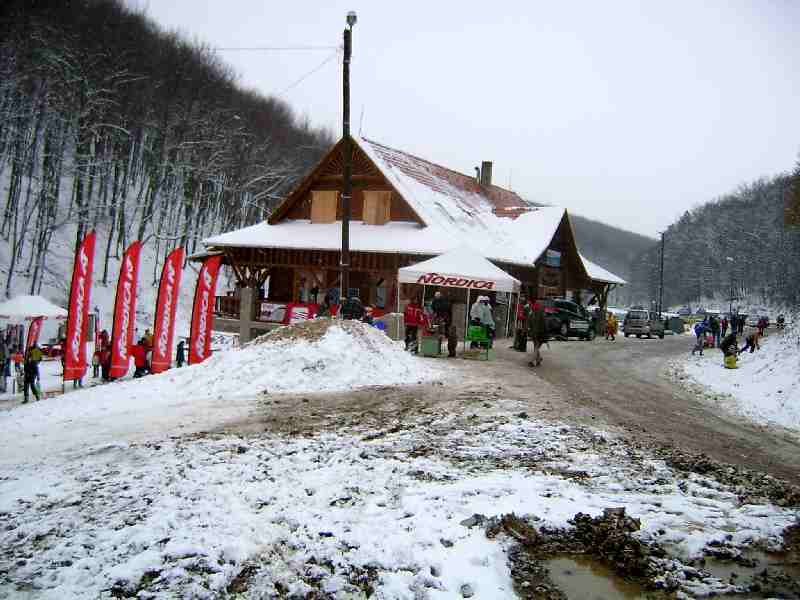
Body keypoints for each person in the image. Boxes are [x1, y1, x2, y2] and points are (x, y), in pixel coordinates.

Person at [526, 301, 548, 367]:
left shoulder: (531, 313)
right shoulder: (542, 314)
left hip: (534, 334)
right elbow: (545, 325)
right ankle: (532, 361)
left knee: (536, 347)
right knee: (536, 348)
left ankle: (538, 360)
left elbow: (529, 323)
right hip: (540, 334)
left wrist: (529, 331)